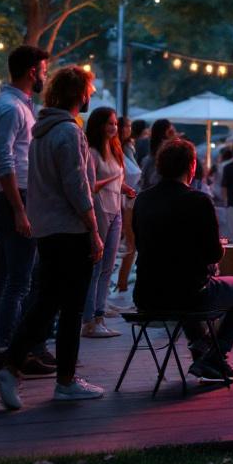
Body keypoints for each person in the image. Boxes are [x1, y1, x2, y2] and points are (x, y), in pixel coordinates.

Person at [0, 67, 102, 410]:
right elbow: (76, 184)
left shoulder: (42, 131)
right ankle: (63, 380)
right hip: (70, 230)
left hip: (48, 230)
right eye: (89, 89)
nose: (92, 94)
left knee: (47, 301)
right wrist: (93, 228)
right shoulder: (68, 132)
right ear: (77, 93)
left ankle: (11, 364)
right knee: (68, 307)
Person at [132, 138, 233, 382]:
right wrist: (217, 252)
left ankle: (205, 355)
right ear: (192, 167)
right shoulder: (198, 200)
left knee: (189, 286)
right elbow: (213, 254)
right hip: (189, 295)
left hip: (146, 295)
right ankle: (215, 356)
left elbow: (142, 245)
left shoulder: (143, 200)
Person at [0, 44, 52, 374]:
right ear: (31, 72)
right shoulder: (11, 107)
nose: (45, 76)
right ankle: (8, 355)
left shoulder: (10, 104)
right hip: (17, 198)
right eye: (44, 70)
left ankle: (9, 351)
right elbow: (3, 159)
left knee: (8, 280)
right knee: (19, 282)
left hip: (14, 197)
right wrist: (19, 209)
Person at [82, 107, 135, 338]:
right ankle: (89, 320)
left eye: (115, 123)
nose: (114, 127)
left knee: (107, 266)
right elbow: (89, 186)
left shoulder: (115, 150)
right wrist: (114, 180)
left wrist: (124, 187)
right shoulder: (91, 152)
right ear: (99, 125)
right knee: (96, 266)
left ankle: (100, 315)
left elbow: (116, 179)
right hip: (100, 210)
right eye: (110, 123)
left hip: (116, 211)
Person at [116, 116, 142, 295]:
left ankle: (122, 283)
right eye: (127, 126)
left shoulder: (127, 148)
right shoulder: (116, 149)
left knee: (131, 245)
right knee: (129, 244)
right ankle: (121, 283)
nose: (129, 129)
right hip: (121, 201)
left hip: (129, 200)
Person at [138, 119, 177, 191]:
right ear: (166, 133)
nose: (175, 134)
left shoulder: (148, 159)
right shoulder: (166, 157)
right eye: (171, 132)